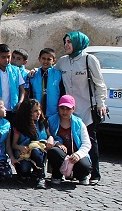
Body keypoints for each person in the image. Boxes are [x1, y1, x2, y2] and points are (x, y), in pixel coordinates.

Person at [55, 31, 107, 185]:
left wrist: (100, 103)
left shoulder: (89, 60)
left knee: (89, 140)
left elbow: (99, 84)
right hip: (68, 110)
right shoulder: (63, 61)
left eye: (70, 42)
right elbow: (49, 71)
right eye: (65, 42)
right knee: (68, 139)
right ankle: (69, 171)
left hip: (86, 108)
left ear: (78, 42)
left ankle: (94, 173)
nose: (66, 45)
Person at [46, 95, 93, 186]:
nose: (64, 111)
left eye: (68, 109)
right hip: (61, 155)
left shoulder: (79, 123)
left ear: (73, 109)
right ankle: (57, 174)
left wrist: (78, 155)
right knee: (53, 152)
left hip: (75, 154)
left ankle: (81, 175)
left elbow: (87, 144)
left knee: (85, 167)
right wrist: (57, 143)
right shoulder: (51, 121)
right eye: (62, 108)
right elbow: (47, 137)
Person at [10, 99, 52, 189]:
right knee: (24, 170)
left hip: (39, 151)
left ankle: (41, 176)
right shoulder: (19, 125)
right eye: (35, 111)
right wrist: (21, 147)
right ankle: (27, 173)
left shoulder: (43, 123)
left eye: (39, 110)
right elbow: (14, 144)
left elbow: (49, 136)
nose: (38, 113)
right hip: (24, 153)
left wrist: (50, 140)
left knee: (36, 151)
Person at [0, 44, 25, 118]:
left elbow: (22, 89)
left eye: (8, 57)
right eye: (3, 57)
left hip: (13, 109)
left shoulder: (16, 71)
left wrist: (20, 102)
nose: (6, 60)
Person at [26, 48, 64, 118]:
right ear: (39, 59)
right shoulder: (33, 75)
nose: (46, 61)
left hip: (54, 113)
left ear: (54, 61)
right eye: (43, 58)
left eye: (49, 59)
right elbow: (30, 94)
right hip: (37, 114)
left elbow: (62, 92)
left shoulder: (58, 75)